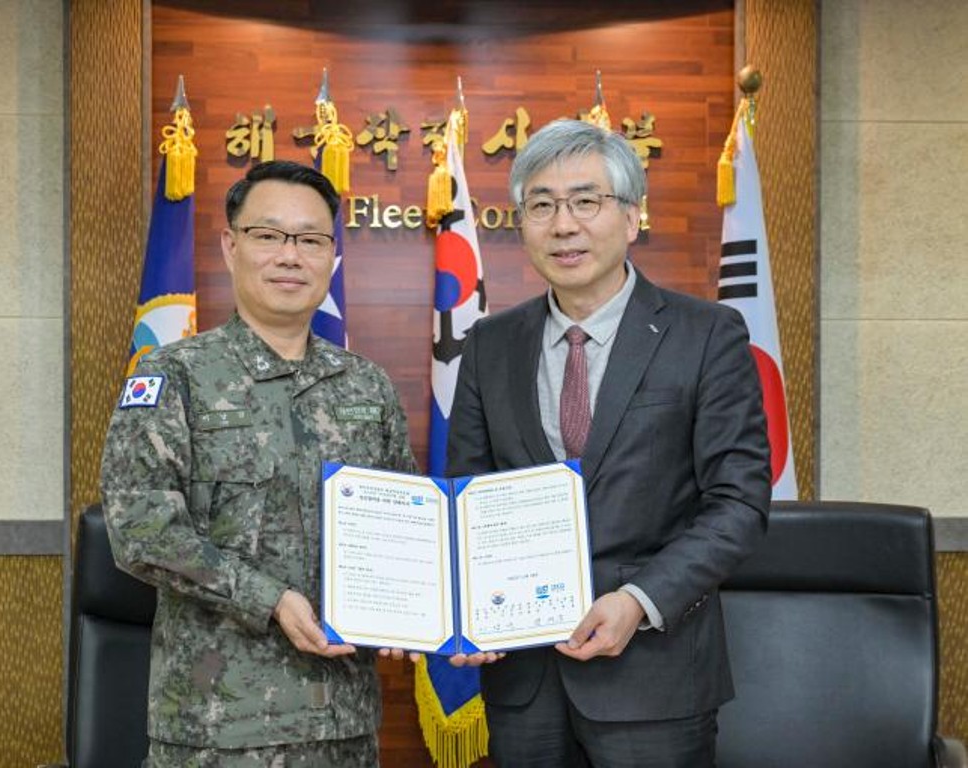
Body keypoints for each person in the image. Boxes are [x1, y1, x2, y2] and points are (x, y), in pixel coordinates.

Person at [446, 119, 772, 767]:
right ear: (522, 225)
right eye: (541, 205)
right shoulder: (489, 344)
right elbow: (469, 496)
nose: (563, 225)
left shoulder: (707, 335)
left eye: (585, 201)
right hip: (524, 678)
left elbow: (738, 503)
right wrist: (464, 611)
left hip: (655, 676)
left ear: (630, 216)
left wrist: (638, 601)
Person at [100, 159, 417, 767]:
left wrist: (432, 614)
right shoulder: (174, 376)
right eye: (268, 235)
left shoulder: (368, 387)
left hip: (344, 726)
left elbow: (403, 528)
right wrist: (269, 598)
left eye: (311, 240)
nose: (290, 256)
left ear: (332, 257)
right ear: (231, 245)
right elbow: (140, 529)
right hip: (218, 729)